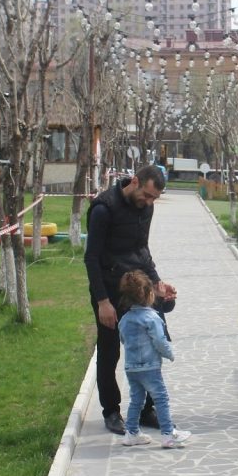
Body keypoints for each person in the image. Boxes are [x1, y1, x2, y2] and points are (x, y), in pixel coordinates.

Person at [85, 164, 177, 434]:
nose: (148, 202)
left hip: (140, 288)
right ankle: (111, 411)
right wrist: (103, 301)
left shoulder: (146, 208)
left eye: (154, 199)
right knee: (110, 350)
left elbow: (141, 249)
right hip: (110, 290)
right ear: (135, 181)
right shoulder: (103, 209)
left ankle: (147, 409)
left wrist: (157, 284)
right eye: (147, 195)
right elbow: (91, 257)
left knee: (151, 346)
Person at [117, 271, 192, 448]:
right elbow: (159, 340)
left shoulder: (125, 319)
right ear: (149, 294)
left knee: (136, 400)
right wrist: (169, 353)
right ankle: (168, 434)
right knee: (161, 399)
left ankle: (131, 433)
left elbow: (123, 339)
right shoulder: (151, 317)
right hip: (150, 368)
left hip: (131, 367)